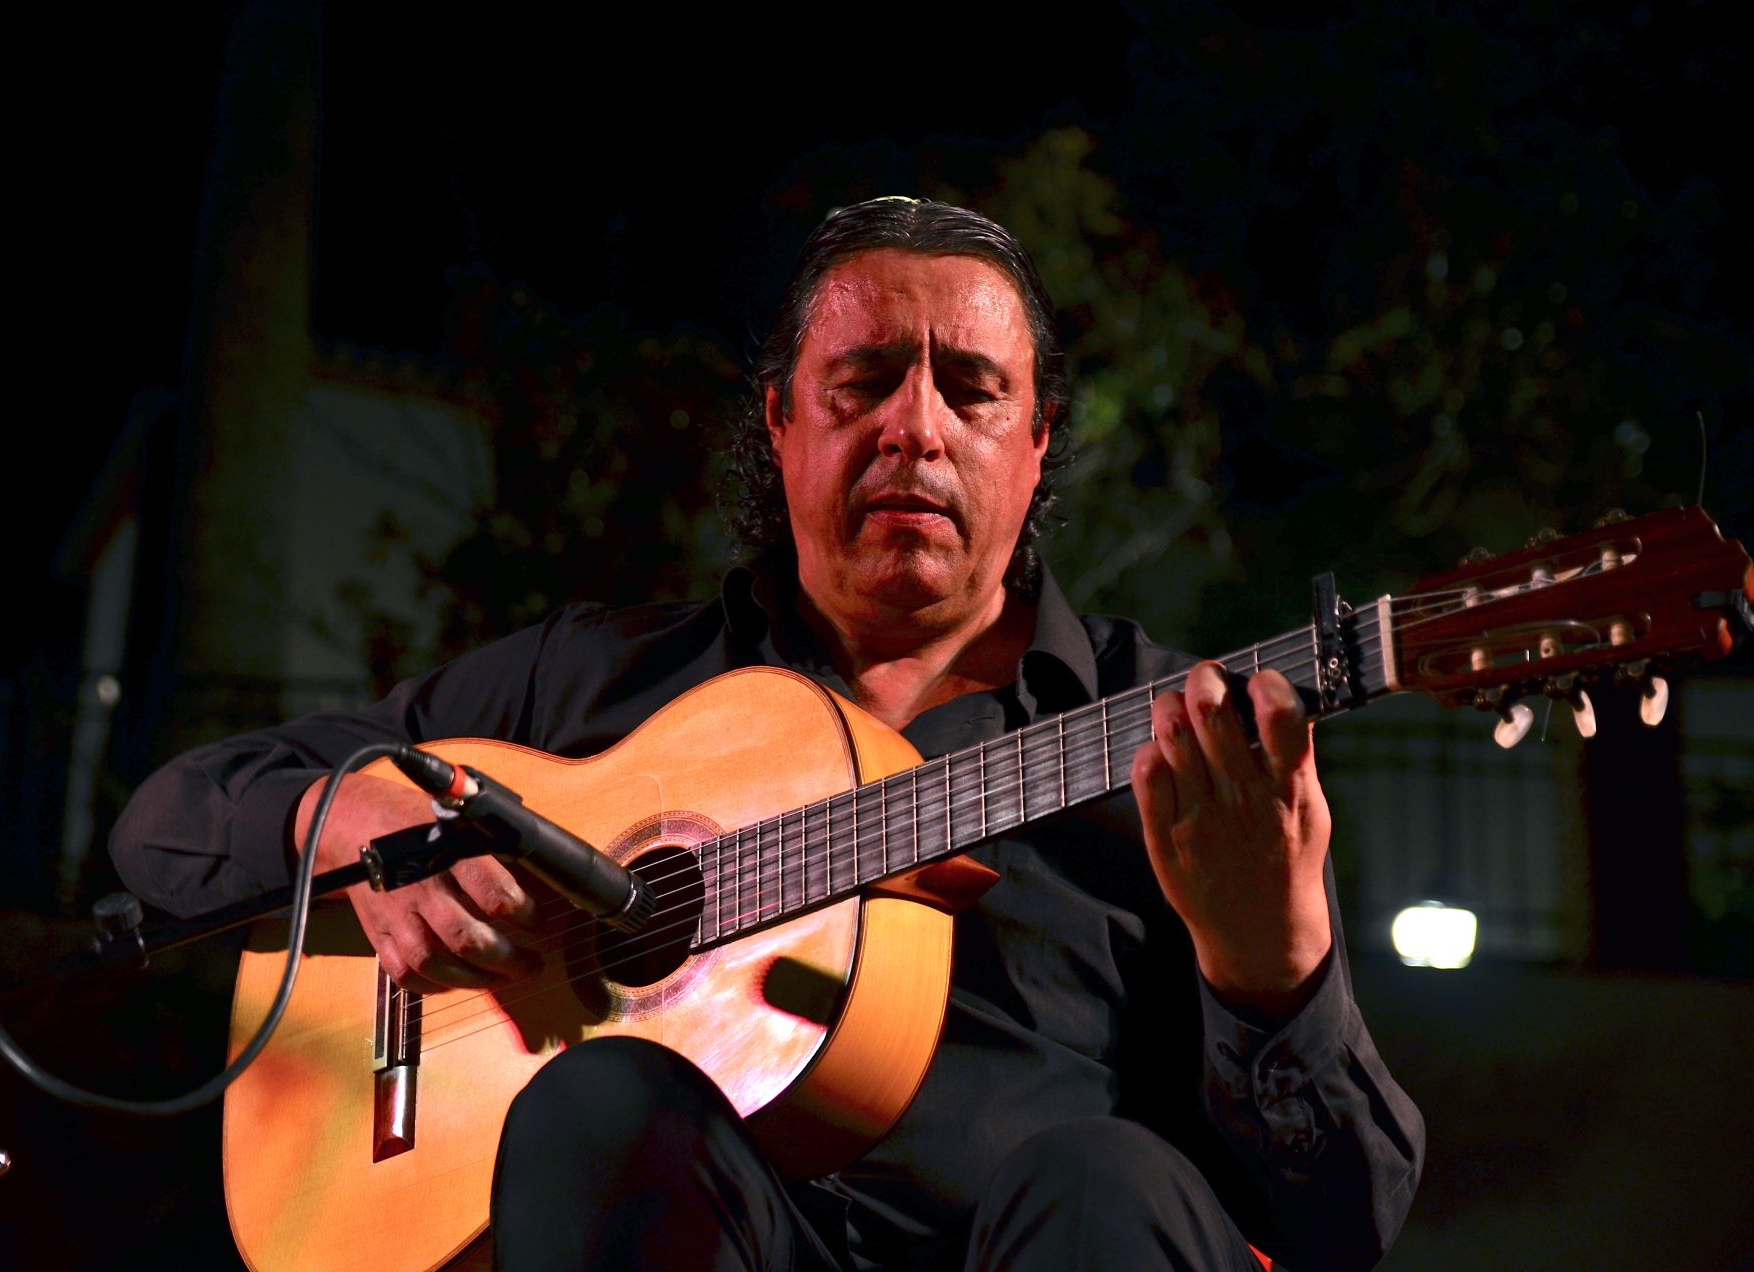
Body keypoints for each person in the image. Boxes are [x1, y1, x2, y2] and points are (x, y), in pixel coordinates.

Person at [111, 197, 1423, 1271]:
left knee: (1108, 1177)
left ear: (1032, 451)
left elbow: (1340, 1228)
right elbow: (168, 824)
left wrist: (1276, 976)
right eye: (862, 383)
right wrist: (336, 818)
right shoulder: (595, 682)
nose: (915, 424)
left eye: (970, 390)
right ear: (781, 424)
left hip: (1042, 1247)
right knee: (599, 1097)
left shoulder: (1188, 750)